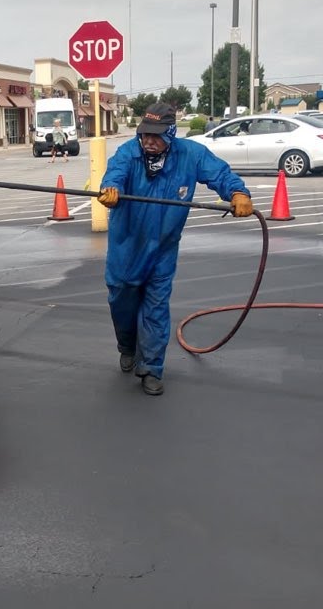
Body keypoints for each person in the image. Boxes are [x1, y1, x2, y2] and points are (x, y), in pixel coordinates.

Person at [97, 101, 253, 396]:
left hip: (163, 249)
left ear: (171, 133)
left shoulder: (190, 155)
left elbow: (219, 174)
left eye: (156, 136)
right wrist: (111, 189)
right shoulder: (127, 154)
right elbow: (114, 174)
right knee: (121, 301)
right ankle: (127, 345)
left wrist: (237, 192)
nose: (149, 141)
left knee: (156, 308)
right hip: (126, 247)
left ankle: (152, 367)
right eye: (145, 135)